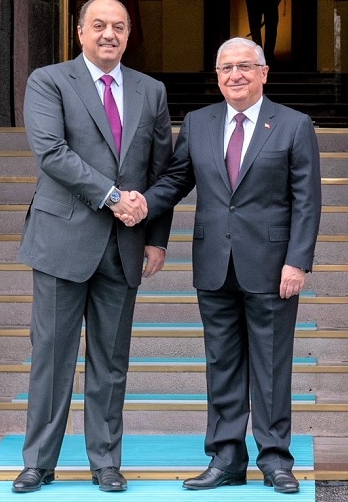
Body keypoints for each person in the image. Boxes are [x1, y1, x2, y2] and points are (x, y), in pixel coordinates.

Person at [125, 37, 320, 493]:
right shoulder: (198, 123)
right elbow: (175, 179)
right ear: (217, 76)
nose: (236, 75)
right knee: (222, 363)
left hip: (274, 268)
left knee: (272, 365)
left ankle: (275, 459)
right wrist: (140, 205)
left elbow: (307, 201)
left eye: (246, 66)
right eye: (227, 67)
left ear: (264, 72)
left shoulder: (293, 125)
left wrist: (298, 261)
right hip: (214, 263)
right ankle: (226, 457)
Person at [12, 0, 173, 493]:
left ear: (129, 35)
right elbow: (51, 152)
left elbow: (161, 170)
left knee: (111, 361)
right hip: (63, 239)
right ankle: (39, 461)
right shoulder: (49, 81)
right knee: (52, 358)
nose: (109, 34)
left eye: (119, 26)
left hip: (125, 245)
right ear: (79, 32)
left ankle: (106, 460)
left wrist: (156, 237)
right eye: (99, 25)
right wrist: (111, 197)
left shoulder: (152, 90)